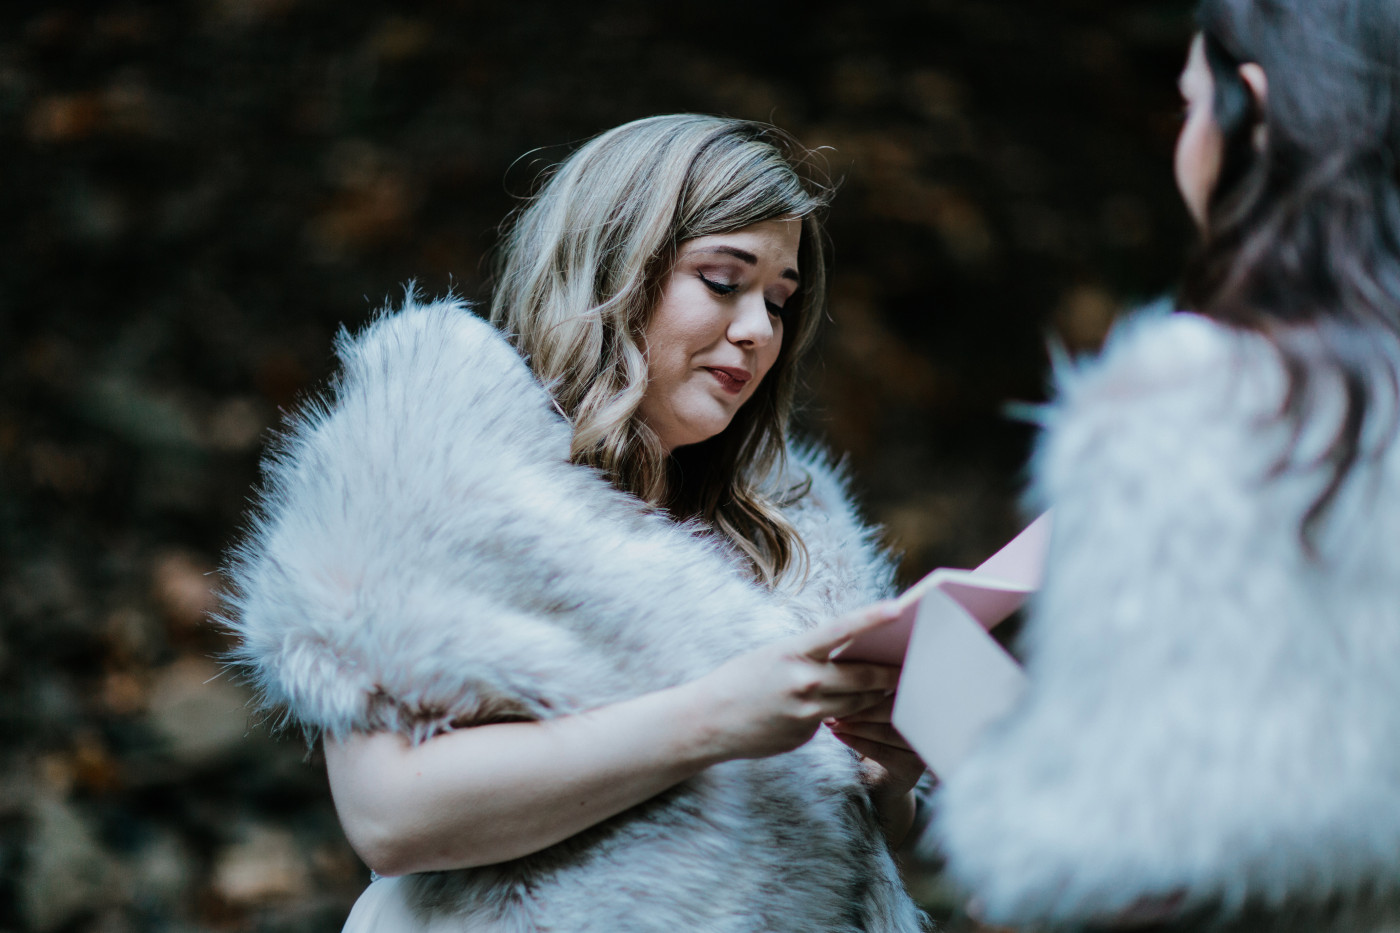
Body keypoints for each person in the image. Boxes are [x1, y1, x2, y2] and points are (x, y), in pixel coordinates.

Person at [222, 114, 929, 932]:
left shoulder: (796, 529)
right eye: (724, 281)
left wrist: (888, 779)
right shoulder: (430, 469)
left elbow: (851, 855)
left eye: (778, 299)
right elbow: (391, 816)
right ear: (612, 267)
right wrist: (714, 718)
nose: (758, 331)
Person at [926, 1, 1400, 930]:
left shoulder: (1184, 406)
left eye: (1189, 106)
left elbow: (1130, 840)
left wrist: (979, 782)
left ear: (1247, 110)